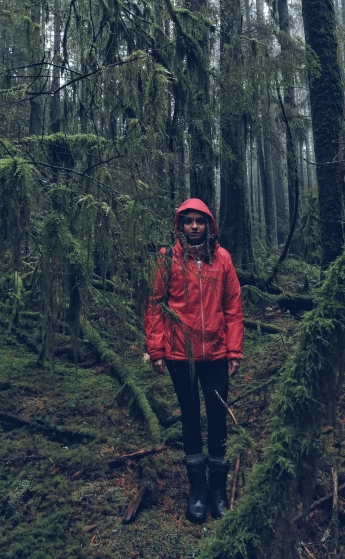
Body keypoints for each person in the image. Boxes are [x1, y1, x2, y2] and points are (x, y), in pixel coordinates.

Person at [144, 199, 243, 523]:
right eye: (189, 221)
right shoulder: (166, 259)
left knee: (217, 416)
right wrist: (156, 350)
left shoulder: (222, 259)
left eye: (200, 221)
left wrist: (234, 350)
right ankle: (197, 488)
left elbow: (232, 307)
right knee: (189, 416)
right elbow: (155, 305)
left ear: (209, 225)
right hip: (179, 354)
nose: (195, 226)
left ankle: (217, 486)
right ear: (180, 225)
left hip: (215, 352)